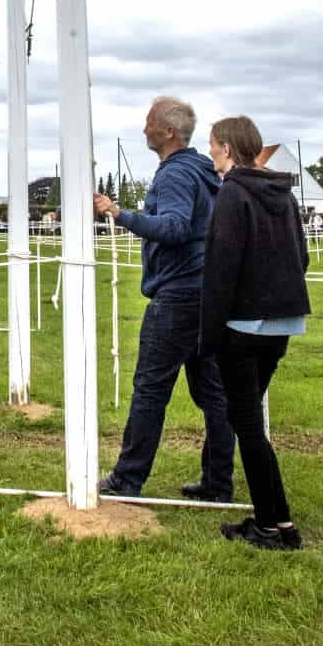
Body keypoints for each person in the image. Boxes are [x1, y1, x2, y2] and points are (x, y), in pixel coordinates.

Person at [90, 97, 230, 502]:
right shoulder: (203, 172)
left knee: (150, 388)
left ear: (168, 132)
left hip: (179, 296)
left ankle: (126, 479)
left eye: (149, 122)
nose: (144, 128)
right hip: (209, 295)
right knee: (214, 394)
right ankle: (218, 482)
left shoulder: (174, 176)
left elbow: (174, 227)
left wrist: (121, 214)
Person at [200, 114, 310, 552]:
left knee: (246, 423)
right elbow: (301, 257)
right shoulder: (284, 196)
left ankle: (273, 525)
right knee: (247, 421)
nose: (210, 151)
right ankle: (276, 521)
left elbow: (221, 269)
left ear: (227, 147)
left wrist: (209, 337)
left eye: (212, 144)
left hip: (242, 326)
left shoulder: (232, 194)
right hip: (282, 322)